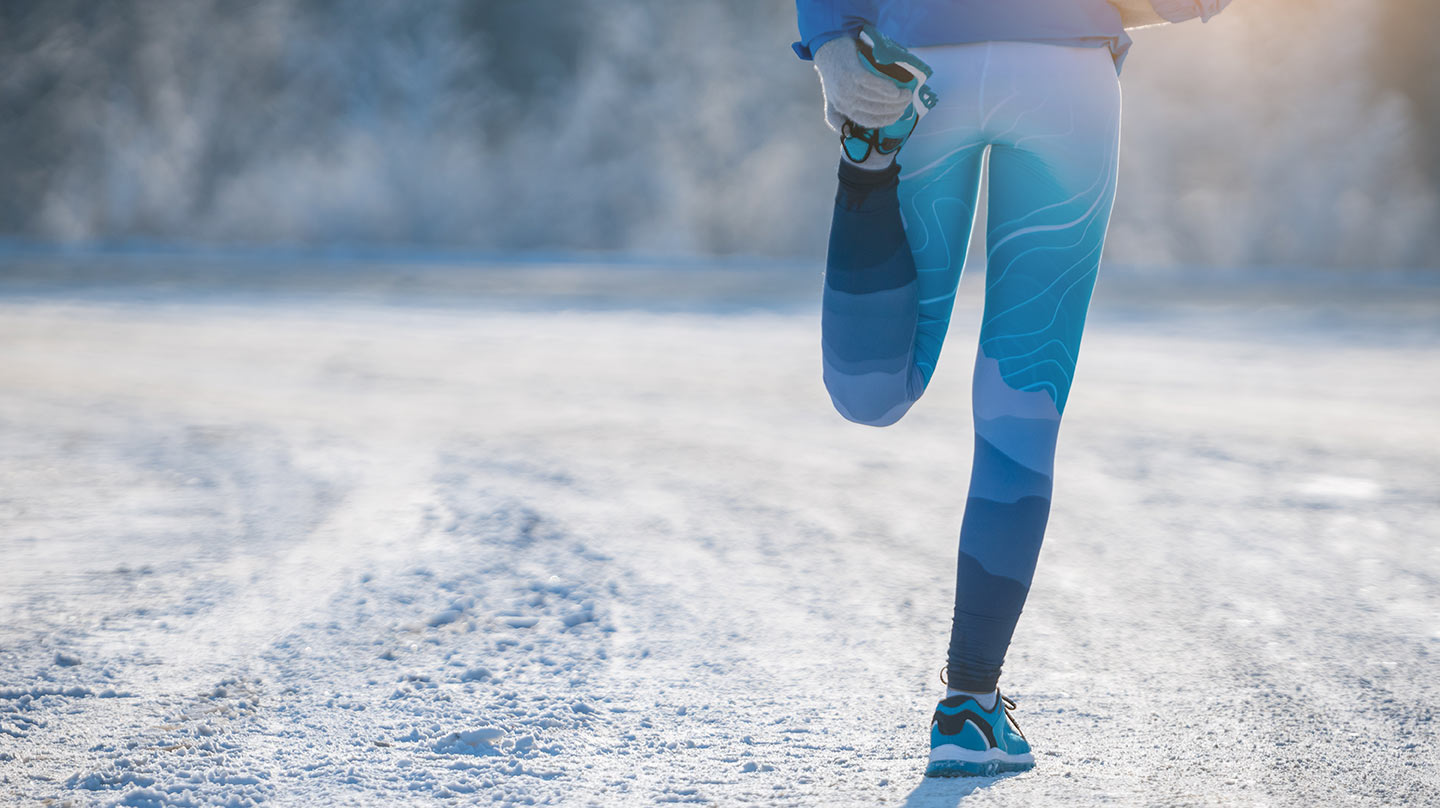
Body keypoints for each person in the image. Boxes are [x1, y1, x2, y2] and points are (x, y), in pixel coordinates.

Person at [794, 0, 1232, 778]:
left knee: (871, 393)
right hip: (1067, 78)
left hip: (925, 63)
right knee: (1020, 412)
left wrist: (830, 36)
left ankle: (867, 167)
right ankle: (969, 708)